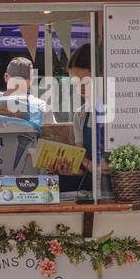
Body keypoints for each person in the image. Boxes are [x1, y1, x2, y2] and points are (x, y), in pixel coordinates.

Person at [59, 44, 102, 196]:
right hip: (90, 187)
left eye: (85, 83)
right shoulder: (80, 115)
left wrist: (94, 166)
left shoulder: (121, 112)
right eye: (76, 84)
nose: (80, 89)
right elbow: (81, 164)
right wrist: (67, 169)